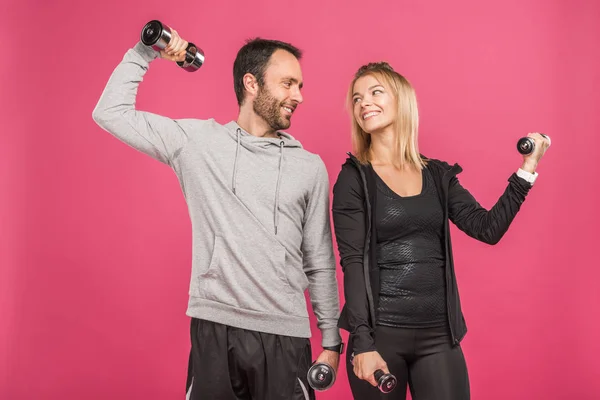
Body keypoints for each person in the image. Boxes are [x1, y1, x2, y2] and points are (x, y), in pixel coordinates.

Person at [92, 26, 343, 400]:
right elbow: (109, 112)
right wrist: (146, 53)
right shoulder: (197, 144)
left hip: (285, 335)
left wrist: (332, 340)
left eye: (300, 86)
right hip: (215, 329)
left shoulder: (309, 168)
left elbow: (319, 259)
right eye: (288, 83)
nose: (299, 96)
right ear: (251, 83)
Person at [331, 62, 550, 399]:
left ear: (401, 101)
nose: (364, 104)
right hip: (380, 335)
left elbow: (487, 228)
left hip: (438, 336)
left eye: (375, 92)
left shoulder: (437, 176)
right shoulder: (354, 178)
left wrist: (527, 170)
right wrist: (361, 342)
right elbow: (352, 263)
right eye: (357, 99)